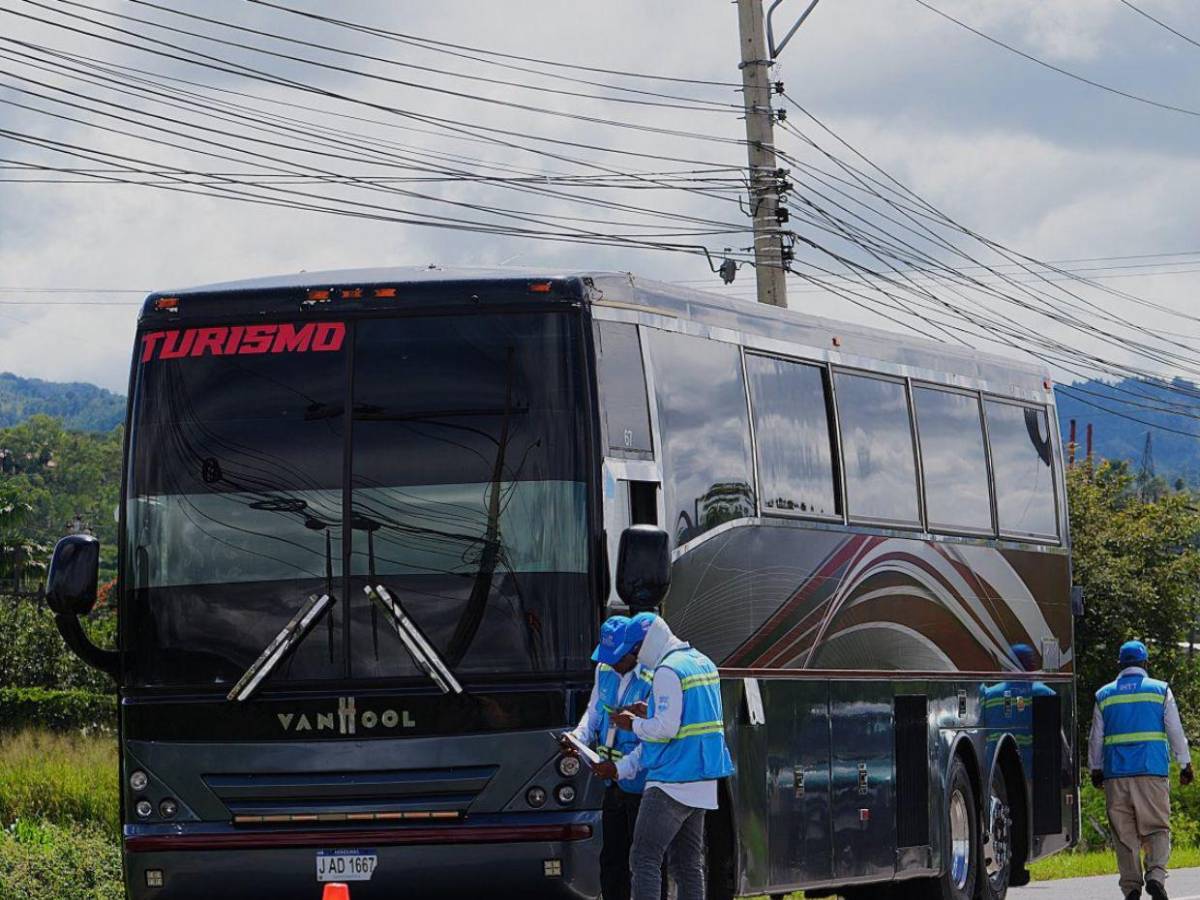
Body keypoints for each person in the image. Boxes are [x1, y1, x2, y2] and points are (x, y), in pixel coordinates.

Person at [609, 612, 734, 900]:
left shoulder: (667, 670)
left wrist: (634, 724)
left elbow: (666, 728)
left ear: (648, 641)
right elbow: (691, 714)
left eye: (636, 649)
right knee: (689, 864)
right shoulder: (703, 663)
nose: (637, 657)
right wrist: (649, 707)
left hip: (671, 781)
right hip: (703, 779)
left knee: (644, 858)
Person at [1089, 640, 1194, 900]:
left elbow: (1096, 738)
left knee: (1124, 835)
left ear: (1119, 665)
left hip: (1116, 777)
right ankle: (1156, 876)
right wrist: (1185, 764)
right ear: (1146, 664)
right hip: (1152, 773)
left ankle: (1132, 887)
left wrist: (1095, 769)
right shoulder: (1160, 690)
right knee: (1157, 828)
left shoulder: (1104, 695)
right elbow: (1175, 731)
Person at [562, 615, 655, 900]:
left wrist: (619, 769)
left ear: (634, 650)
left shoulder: (654, 677)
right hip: (612, 784)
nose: (612, 663)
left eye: (618, 657)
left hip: (642, 783)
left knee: (644, 862)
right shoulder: (604, 670)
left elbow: (654, 740)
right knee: (612, 861)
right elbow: (594, 712)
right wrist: (578, 738)